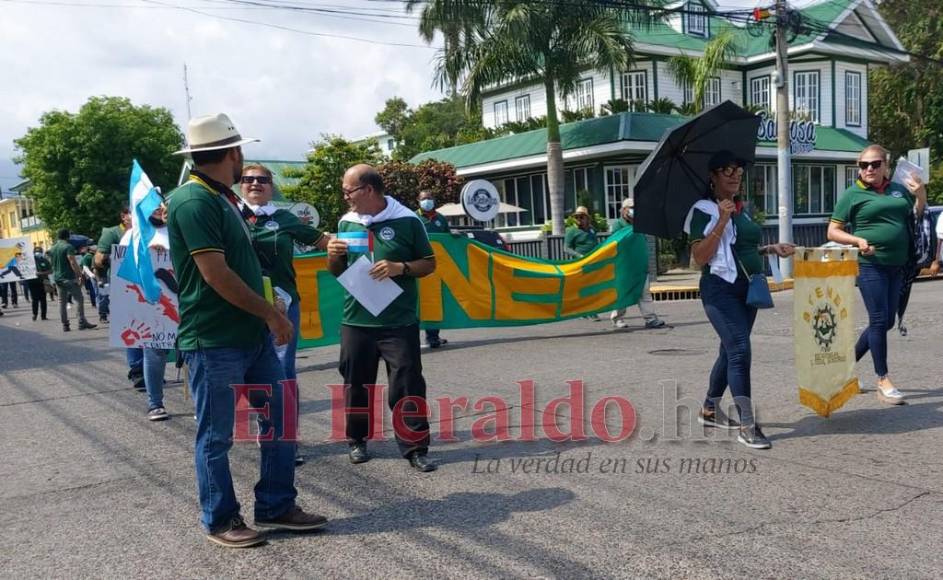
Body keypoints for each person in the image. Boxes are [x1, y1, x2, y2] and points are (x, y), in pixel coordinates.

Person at [168, 113, 326, 548]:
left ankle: (276, 505)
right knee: (217, 435)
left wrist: (266, 305)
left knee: (280, 417)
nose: (245, 165)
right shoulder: (194, 200)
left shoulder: (222, 199)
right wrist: (273, 315)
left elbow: (243, 264)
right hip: (214, 338)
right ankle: (220, 519)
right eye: (242, 154)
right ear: (233, 154)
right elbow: (216, 274)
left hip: (249, 334)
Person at [327, 164, 438, 473]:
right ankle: (357, 441)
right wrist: (333, 256)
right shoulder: (346, 222)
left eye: (349, 191)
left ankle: (416, 447)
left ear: (370, 190)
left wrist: (399, 267)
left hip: (398, 320)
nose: (345, 197)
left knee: (407, 383)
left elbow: (429, 264)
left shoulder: (407, 220)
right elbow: (338, 272)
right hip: (356, 319)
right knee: (356, 384)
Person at [685, 150, 794, 450]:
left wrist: (771, 249)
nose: (735, 175)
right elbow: (699, 257)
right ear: (713, 176)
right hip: (719, 290)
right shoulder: (704, 210)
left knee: (729, 350)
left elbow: (742, 250)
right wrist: (721, 219)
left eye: (739, 170)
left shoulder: (741, 208)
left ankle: (709, 408)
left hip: (747, 288)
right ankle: (747, 424)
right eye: (727, 170)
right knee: (740, 350)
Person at [240, 163, 329, 464]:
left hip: (283, 306)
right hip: (243, 305)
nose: (255, 184)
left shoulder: (284, 218)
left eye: (262, 180)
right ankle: (263, 429)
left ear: (271, 186)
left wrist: (357, 245)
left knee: (282, 371)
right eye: (248, 179)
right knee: (245, 370)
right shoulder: (230, 216)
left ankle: (284, 438)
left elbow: (324, 242)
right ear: (240, 184)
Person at [828, 144, 927, 405]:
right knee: (879, 318)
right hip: (870, 264)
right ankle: (883, 380)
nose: (869, 169)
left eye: (874, 164)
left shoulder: (898, 190)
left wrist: (921, 196)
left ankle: (843, 370)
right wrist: (856, 240)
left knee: (885, 323)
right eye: (863, 165)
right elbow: (833, 231)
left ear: (886, 166)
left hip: (899, 266)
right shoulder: (852, 195)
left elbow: (915, 217)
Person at [119, 202, 174, 421]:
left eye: (160, 205)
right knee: (154, 353)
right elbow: (122, 267)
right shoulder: (133, 235)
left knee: (192, 353)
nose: (158, 209)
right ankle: (155, 403)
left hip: (184, 299)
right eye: (152, 206)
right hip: (152, 304)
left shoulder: (177, 229)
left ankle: (201, 403)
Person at [97, 206, 143, 389]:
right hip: (125, 286)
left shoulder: (148, 229)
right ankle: (137, 371)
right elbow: (98, 260)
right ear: (124, 216)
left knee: (151, 328)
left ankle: (151, 371)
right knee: (133, 329)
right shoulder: (112, 233)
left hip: (148, 286)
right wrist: (119, 259)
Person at [609, 198, 666, 330]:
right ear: (624, 210)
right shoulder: (617, 225)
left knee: (644, 292)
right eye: (631, 207)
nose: (634, 210)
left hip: (639, 265)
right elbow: (614, 243)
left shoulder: (640, 224)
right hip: (624, 265)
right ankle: (617, 318)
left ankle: (650, 319)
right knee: (623, 292)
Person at [416, 189, 450, 348]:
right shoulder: (413, 218)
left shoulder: (441, 219)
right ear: (418, 201)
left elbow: (447, 239)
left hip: (435, 267)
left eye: (429, 198)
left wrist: (454, 237)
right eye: (424, 199)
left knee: (433, 300)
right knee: (416, 302)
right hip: (417, 265)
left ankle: (433, 337)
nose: (427, 201)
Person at [48, 229, 97, 332]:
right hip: (69, 277)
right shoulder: (68, 246)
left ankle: (65, 325)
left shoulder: (52, 248)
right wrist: (79, 275)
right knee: (79, 299)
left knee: (62, 301)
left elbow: (51, 264)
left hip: (58, 278)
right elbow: (72, 261)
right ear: (68, 236)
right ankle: (81, 322)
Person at [564, 206, 601, 320]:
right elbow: (566, 248)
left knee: (592, 287)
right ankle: (590, 311)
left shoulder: (592, 229)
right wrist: (579, 255)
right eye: (577, 217)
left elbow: (595, 243)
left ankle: (585, 311)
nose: (579, 219)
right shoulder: (571, 231)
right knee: (584, 287)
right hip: (579, 263)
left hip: (592, 262)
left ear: (587, 218)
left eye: (581, 217)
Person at [29, 245, 51, 321]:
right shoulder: (30, 261)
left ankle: (43, 316)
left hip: (43, 282)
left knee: (43, 299)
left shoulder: (45, 260)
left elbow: (51, 270)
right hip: (32, 283)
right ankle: (34, 314)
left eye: (39, 252)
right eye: (36, 252)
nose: (38, 253)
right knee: (34, 299)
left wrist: (41, 273)